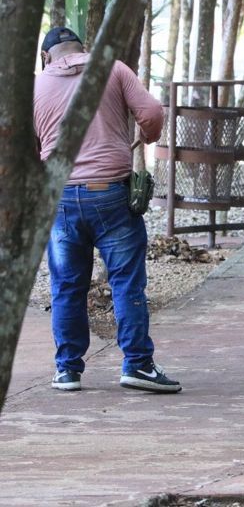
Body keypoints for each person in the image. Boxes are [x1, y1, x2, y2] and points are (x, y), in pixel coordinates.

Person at [33, 26, 181, 393]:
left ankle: (67, 370)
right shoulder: (113, 69)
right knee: (126, 282)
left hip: (61, 196)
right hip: (112, 195)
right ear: (83, 49)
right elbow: (151, 112)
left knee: (66, 285)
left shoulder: (34, 86)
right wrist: (144, 137)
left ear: (46, 56)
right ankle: (138, 365)